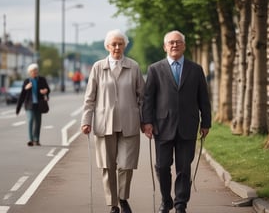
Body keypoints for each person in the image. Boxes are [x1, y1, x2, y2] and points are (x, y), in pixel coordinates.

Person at [142, 30, 211, 213]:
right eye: (171, 42)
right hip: (162, 126)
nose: (174, 45)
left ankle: (181, 204)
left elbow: (204, 98)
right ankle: (166, 200)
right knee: (162, 166)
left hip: (188, 126)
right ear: (165, 46)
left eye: (178, 42)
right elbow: (148, 98)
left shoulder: (196, 69)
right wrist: (147, 122)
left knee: (183, 168)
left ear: (184, 46)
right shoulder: (155, 69)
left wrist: (206, 122)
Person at [81, 29, 145, 213]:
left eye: (120, 43)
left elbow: (143, 97)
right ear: (107, 46)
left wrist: (145, 121)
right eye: (113, 44)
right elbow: (89, 97)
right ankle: (113, 204)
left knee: (126, 165)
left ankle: (123, 198)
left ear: (125, 45)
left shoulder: (133, 66)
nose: (117, 47)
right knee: (107, 166)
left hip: (129, 123)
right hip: (104, 123)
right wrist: (86, 120)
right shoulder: (98, 67)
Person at [16, 63, 50, 146]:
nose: (35, 72)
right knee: (30, 120)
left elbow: (48, 89)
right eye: (32, 71)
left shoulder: (42, 80)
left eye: (36, 70)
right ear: (29, 72)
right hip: (29, 105)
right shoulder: (27, 81)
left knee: (38, 122)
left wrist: (45, 91)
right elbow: (22, 95)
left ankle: (36, 139)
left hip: (39, 104)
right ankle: (30, 140)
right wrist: (26, 88)